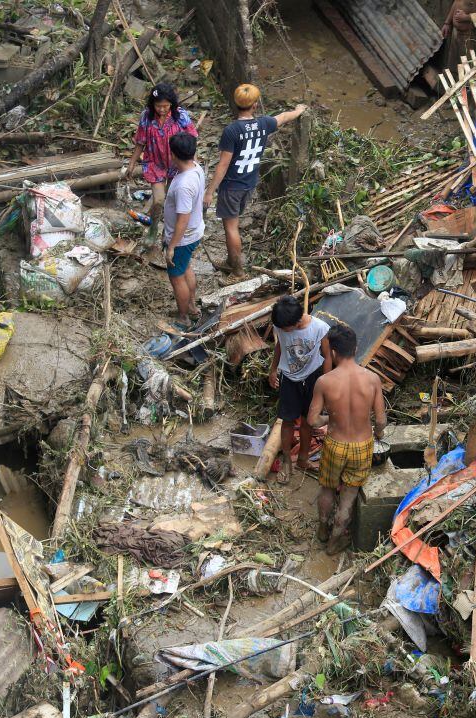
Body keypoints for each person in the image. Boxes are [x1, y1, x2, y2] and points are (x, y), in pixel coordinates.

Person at [204, 84, 308, 279]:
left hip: (232, 186)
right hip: (249, 183)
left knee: (231, 228)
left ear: (236, 104)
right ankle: (230, 262)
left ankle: (237, 271)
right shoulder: (264, 124)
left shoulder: (232, 131)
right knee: (234, 223)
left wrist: (209, 191)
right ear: (255, 106)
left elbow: (223, 165)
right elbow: (284, 117)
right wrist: (298, 111)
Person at [307, 324, 386, 555]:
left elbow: (312, 420)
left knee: (327, 489)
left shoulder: (325, 382)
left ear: (332, 353)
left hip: (335, 444)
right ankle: (334, 542)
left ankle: (322, 530)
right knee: (349, 497)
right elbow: (380, 421)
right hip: (362, 446)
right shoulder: (372, 379)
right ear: (356, 348)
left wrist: (329, 419)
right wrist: (378, 435)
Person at [269, 295, 332, 483]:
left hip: (313, 378)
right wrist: (273, 370)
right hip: (289, 378)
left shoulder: (319, 327)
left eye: (284, 328)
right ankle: (287, 460)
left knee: (308, 421)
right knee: (287, 421)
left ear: (296, 323)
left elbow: (327, 356)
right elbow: (279, 347)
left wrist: (326, 383)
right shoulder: (281, 325)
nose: (281, 330)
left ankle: (303, 459)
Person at [127, 83, 198, 242]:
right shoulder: (146, 116)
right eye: (158, 106)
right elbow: (140, 141)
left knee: (172, 201)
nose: (162, 110)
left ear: (172, 104)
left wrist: (194, 164)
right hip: (154, 162)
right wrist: (132, 163)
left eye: (166, 106)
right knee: (159, 200)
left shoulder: (180, 116)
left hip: (176, 163)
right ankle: (153, 230)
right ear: (153, 104)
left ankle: (169, 233)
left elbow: (192, 139)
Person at [162, 132, 206, 326]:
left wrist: (172, 246)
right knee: (186, 267)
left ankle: (183, 317)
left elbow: (183, 219)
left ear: (173, 155)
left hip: (182, 238)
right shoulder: (196, 168)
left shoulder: (183, 185)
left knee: (177, 277)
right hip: (195, 232)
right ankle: (192, 307)